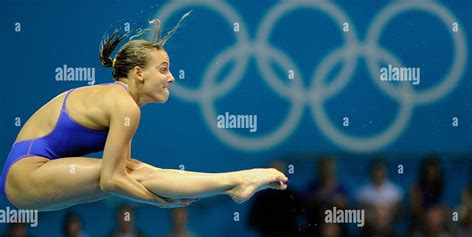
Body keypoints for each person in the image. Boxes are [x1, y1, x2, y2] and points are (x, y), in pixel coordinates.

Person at [0, 14, 288, 211]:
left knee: (134, 169)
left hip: (24, 177)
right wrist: (160, 202)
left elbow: (117, 175)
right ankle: (237, 181)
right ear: (138, 74)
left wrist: (160, 198)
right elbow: (111, 180)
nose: (171, 78)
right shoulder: (124, 104)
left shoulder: (120, 102)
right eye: (163, 70)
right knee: (133, 172)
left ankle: (236, 182)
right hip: (25, 175)